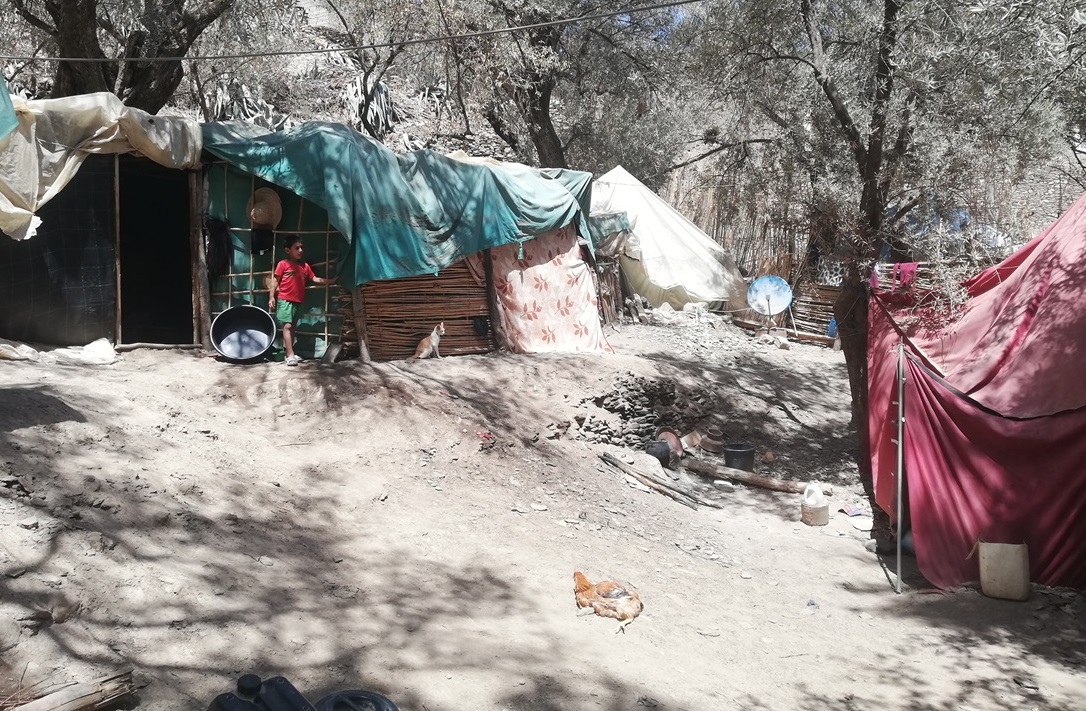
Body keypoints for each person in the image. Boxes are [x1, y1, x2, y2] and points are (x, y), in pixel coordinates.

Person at [269, 234, 336, 365]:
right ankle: (290, 355)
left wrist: (330, 281)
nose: (300, 250)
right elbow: (275, 281)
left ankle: (289, 352)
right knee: (287, 326)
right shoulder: (283, 264)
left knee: (293, 327)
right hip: (285, 300)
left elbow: (315, 278)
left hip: (298, 301)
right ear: (288, 250)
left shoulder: (304, 266)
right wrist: (271, 296)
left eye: (301, 248)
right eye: (296, 248)